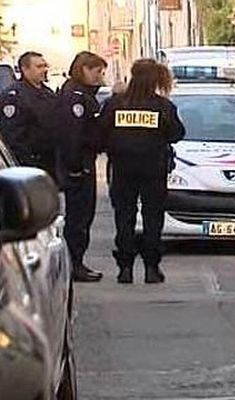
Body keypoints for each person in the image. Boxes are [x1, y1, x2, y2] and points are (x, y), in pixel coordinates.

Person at [100, 59, 185, 284]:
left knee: (124, 217)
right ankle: (151, 268)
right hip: (153, 170)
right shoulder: (163, 106)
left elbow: (100, 133)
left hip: (122, 169)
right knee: (152, 218)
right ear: (155, 79)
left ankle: (125, 268)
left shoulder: (115, 103)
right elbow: (177, 133)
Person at [56, 51, 107, 283]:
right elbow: (72, 136)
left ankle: (77, 262)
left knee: (84, 217)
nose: (100, 76)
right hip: (78, 167)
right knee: (78, 218)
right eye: (97, 71)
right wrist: (76, 167)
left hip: (84, 163)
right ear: (84, 69)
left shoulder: (83, 95)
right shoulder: (75, 97)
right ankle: (74, 264)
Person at [0, 51, 57, 178]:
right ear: (25, 69)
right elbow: (13, 136)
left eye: (44, 66)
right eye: (39, 67)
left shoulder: (48, 93)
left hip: (50, 162)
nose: (44, 70)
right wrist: (28, 163)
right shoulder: (14, 96)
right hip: (29, 165)